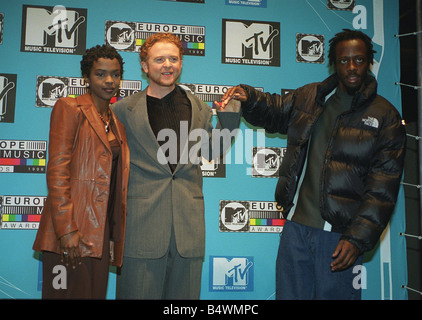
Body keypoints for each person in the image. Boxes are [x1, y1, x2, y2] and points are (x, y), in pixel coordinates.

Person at [219, 29, 406, 300]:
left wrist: (356, 238)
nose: (352, 67)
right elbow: (274, 110)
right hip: (295, 231)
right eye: (344, 61)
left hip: (339, 238)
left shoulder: (385, 116)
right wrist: (249, 96)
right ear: (334, 63)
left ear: (369, 62)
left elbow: (382, 189)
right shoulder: (311, 97)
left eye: (359, 60)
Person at [112, 32, 241, 299]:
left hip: (187, 229)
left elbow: (212, 151)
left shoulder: (201, 109)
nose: (167, 64)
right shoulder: (122, 111)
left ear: (181, 64)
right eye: (159, 59)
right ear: (145, 66)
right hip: (141, 228)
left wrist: (229, 121)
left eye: (173, 58)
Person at [33, 45, 130, 299]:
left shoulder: (117, 122)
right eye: (100, 74)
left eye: (116, 74)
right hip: (69, 234)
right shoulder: (69, 107)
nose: (109, 80)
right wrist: (66, 230)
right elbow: (57, 171)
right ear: (86, 77)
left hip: (99, 235)